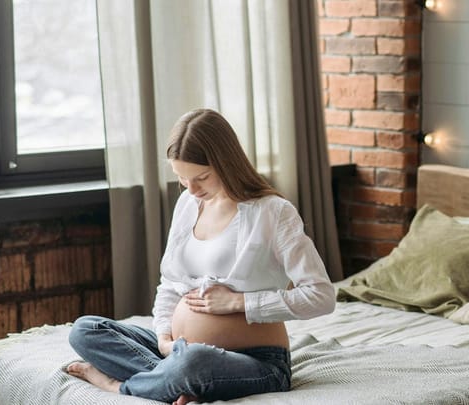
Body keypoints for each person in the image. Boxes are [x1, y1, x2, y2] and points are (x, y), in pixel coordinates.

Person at [65, 108, 336, 405]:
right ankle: (171, 377)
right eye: (182, 178)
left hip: (256, 362)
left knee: (194, 362)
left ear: (225, 163)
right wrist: (164, 338)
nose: (191, 189)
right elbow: (170, 284)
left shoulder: (272, 212)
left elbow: (321, 296)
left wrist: (238, 302)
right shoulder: (189, 204)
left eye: (201, 178)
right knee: (85, 331)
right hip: (179, 351)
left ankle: (120, 386)